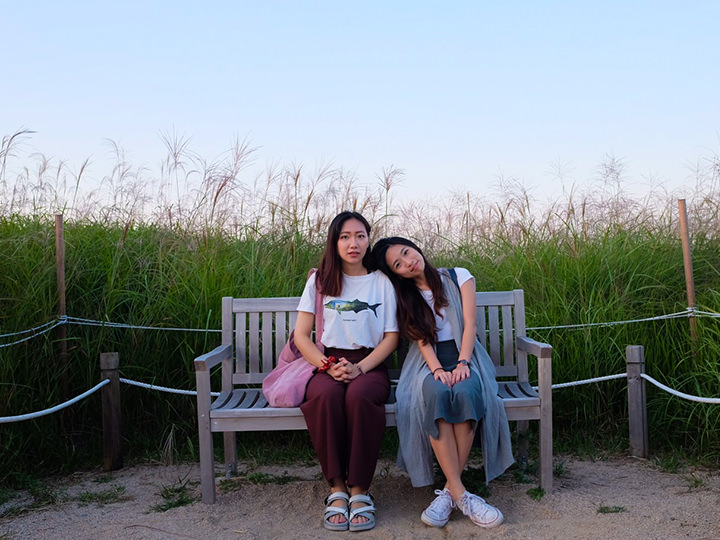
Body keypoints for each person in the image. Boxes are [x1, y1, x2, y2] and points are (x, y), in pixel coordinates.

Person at [371, 236, 514, 529]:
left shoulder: (459, 276)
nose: (408, 262)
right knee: (436, 394)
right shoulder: (406, 296)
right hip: (426, 362)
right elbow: (421, 339)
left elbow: (470, 325)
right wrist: (436, 369)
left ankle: (448, 494)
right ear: (397, 274)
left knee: (466, 392)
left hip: (466, 354)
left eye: (407, 252)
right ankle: (461, 494)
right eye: (398, 264)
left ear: (415, 247)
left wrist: (462, 363)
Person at [294, 211, 399, 532]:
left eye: (360, 236)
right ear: (334, 242)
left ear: (368, 241)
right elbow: (302, 336)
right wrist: (327, 366)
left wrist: (360, 368)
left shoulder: (381, 282)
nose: (353, 243)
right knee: (324, 397)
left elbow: (391, 337)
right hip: (326, 362)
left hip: (369, 363)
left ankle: (360, 490)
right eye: (345, 237)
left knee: (360, 396)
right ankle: (337, 488)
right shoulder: (320, 280)